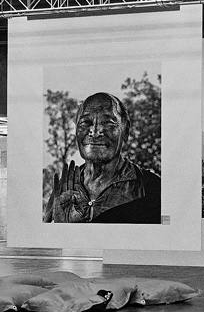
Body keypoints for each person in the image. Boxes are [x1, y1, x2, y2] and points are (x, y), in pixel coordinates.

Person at [45, 92, 161, 224]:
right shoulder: (62, 190)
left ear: (126, 130)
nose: (95, 131)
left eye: (108, 122)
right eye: (85, 122)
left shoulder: (152, 189)